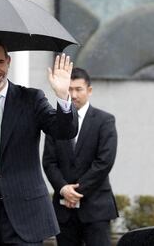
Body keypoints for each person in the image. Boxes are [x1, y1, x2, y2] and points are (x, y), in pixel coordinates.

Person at [0, 35, 78, 245]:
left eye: (0, 62)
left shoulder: (31, 99)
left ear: (8, 61)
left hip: (25, 216)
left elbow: (65, 131)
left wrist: (63, 96)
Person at [42, 67, 118, 246]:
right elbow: (49, 162)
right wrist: (62, 189)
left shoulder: (104, 121)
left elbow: (104, 162)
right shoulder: (54, 121)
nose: (73, 95)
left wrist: (75, 192)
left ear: (89, 90)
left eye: (78, 89)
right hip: (63, 211)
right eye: (69, 89)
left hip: (96, 208)